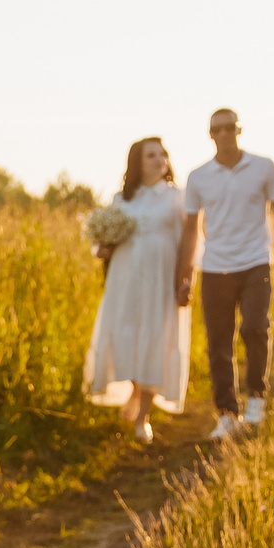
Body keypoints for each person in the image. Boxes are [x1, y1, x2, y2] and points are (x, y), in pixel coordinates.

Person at [180, 108, 274, 439]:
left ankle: (256, 398)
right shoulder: (198, 177)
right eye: (217, 129)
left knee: (255, 327)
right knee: (218, 343)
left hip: (255, 262)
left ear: (239, 130)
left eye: (230, 127)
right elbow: (190, 230)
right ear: (210, 135)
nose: (224, 133)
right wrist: (185, 275)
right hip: (214, 268)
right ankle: (228, 414)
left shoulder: (263, 166)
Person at [83, 135, 191, 441]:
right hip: (126, 278)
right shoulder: (122, 199)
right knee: (127, 335)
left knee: (156, 337)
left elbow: (190, 241)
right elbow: (102, 242)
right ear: (137, 163)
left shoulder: (176, 197)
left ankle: (143, 415)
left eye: (162, 154)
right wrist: (102, 247)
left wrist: (186, 279)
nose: (159, 160)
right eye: (151, 155)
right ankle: (134, 388)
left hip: (160, 280)